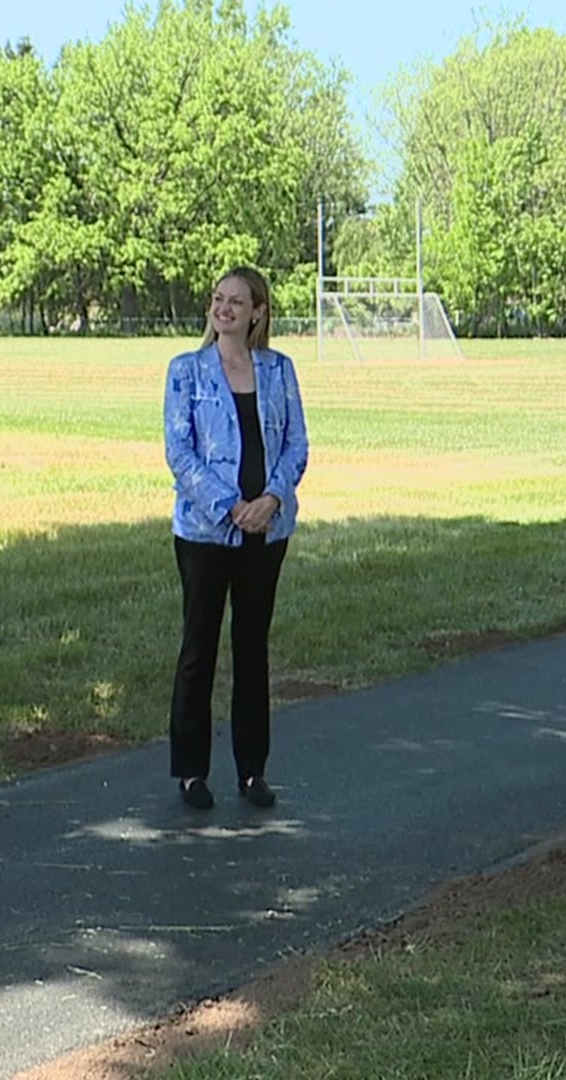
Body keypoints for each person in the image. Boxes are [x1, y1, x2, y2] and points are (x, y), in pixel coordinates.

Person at [162, 265, 309, 810]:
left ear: (257, 313)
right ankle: (191, 772)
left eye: (236, 301)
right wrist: (229, 508)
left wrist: (270, 500)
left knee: (252, 650)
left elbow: (297, 444)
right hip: (204, 533)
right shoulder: (186, 372)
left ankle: (253, 771)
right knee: (199, 647)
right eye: (218, 299)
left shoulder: (278, 370)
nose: (224, 308)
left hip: (267, 532)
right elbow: (179, 454)